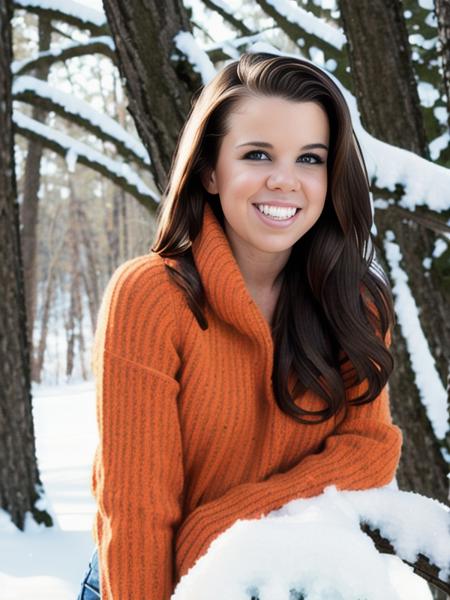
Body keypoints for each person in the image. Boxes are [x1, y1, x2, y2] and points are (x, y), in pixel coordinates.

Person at [76, 51, 403, 600]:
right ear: (209, 169)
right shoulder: (151, 296)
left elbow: (370, 452)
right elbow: (134, 511)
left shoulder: (354, 302)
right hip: (145, 578)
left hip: (279, 580)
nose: (285, 180)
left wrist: (224, 520)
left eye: (310, 159)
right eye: (257, 154)